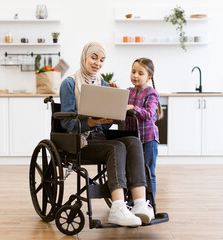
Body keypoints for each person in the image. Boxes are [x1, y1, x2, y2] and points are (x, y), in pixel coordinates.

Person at [59, 42, 154, 227]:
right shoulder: (69, 83)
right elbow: (66, 122)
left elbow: (108, 117)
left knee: (133, 141)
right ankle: (117, 208)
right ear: (84, 57)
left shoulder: (101, 83)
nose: (97, 63)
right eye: (93, 58)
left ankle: (139, 203)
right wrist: (90, 122)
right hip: (79, 141)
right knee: (116, 146)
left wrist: (115, 105)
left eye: (102, 60)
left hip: (99, 137)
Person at [126, 58, 163, 200]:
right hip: (132, 140)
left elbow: (148, 115)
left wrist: (134, 108)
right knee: (132, 172)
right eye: (133, 71)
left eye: (140, 73)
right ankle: (134, 201)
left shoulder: (151, 93)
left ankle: (150, 203)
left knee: (148, 172)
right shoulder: (128, 91)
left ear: (149, 77)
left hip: (148, 140)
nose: (135, 75)